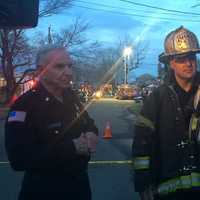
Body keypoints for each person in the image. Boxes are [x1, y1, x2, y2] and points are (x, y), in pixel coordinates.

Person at [5, 45, 98, 200]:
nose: (68, 72)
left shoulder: (71, 97)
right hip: (44, 191)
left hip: (79, 188)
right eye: (59, 66)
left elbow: (88, 122)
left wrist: (92, 133)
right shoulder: (24, 105)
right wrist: (71, 147)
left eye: (70, 66)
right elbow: (18, 159)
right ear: (41, 70)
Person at [132, 26, 200, 200]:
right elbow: (142, 142)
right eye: (181, 58)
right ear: (170, 62)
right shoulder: (156, 98)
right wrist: (142, 182)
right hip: (168, 190)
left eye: (192, 57)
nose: (189, 63)